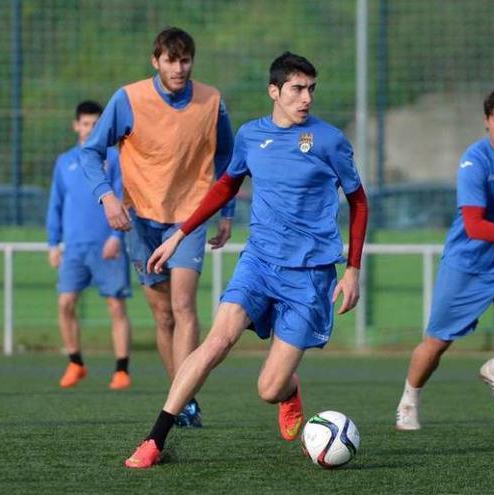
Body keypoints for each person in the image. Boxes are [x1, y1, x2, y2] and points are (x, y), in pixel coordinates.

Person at [123, 51, 369, 469]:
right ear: (274, 91)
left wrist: (353, 270)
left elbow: (359, 202)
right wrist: (178, 234)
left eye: (311, 88)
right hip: (258, 264)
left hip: (309, 277)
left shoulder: (329, 140)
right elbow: (224, 186)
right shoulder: (252, 136)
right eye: (296, 88)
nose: (305, 97)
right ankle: (154, 439)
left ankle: (289, 393)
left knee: (268, 389)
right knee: (215, 343)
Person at [81, 27, 235, 426]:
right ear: (156, 61)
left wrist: (227, 212)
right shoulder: (128, 99)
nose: (179, 68)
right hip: (141, 220)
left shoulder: (211, 100)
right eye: (171, 60)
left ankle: (183, 402)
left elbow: (229, 161)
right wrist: (108, 196)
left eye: (185, 60)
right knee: (163, 315)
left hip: (190, 217)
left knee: (184, 306)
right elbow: (91, 151)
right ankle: (182, 399)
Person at [395, 87, 494, 430]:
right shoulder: (475, 161)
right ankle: (409, 399)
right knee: (436, 344)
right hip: (468, 264)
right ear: (486, 122)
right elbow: (475, 226)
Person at [46, 100, 132, 390]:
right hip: (74, 248)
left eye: (96, 124)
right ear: (76, 125)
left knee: (116, 306)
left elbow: (123, 196)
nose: (89, 129)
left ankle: (121, 369)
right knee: (65, 303)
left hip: (107, 245)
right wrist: (53, 243)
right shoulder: (64, 162)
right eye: (85, 124)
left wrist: (116, 237)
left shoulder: (114, 159)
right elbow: (55, 205)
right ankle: (76, 363)